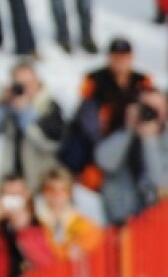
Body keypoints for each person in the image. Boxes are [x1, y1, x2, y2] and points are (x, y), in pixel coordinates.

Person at [58, 38, 155, 191]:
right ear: (109, 58)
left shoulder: (142, 81)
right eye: (116, 57)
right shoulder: (95, 79)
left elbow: (154, 109)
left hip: (133, 134)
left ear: (131, 58)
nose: (120, 62)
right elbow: (88, 118)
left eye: (124, 57)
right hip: (99, 137)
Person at [0, 61, 65, 191]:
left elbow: (51, 142)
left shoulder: (50, 107)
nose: (24, 89)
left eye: (28, 84)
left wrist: (25, 113)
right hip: (12, 184)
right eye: (19, 85)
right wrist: (0, 104)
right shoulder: (9, 107)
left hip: (42, 184)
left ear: (38, 82)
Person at [95, 87, 168, 224]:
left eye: (155, 109)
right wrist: (128, 131)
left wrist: (149, 140)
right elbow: (104, 162)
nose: (149, 113)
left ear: (165, 112)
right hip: (122, 219)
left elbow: (160, 183)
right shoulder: (125, 134)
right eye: (146, 107)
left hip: (157, 221)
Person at [34, 167, 102, 261]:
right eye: (50, 189)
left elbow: (94, 238)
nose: (57, 195)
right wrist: (66, 252)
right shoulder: (34, 222)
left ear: (69, 193)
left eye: (63, 189)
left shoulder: (80, 221)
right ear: (43, 192)